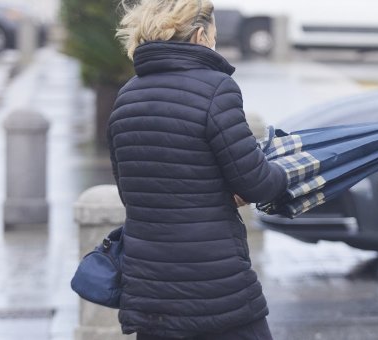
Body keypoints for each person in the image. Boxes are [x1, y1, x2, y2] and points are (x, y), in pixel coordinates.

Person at [109, 0, 287, 339]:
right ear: (201, 35)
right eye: (215, 35)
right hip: (215, 287)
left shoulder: (126, 97)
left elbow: (132, 191)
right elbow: (258, 183)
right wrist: (287, 171)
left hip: (150, 291)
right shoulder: (216, 89)